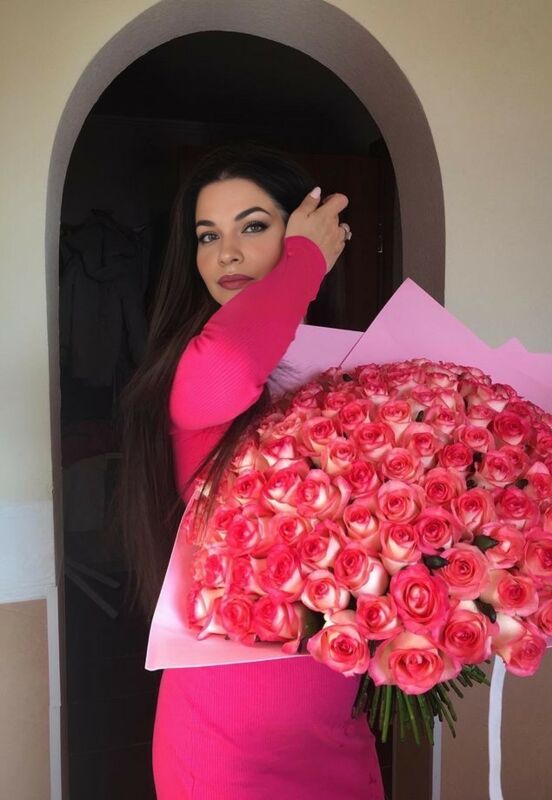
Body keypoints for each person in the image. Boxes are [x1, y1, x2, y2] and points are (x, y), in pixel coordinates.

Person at [118, 143, 384, 799]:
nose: (226, 254)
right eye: (208, 236)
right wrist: (307, 258)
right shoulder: (193, 373)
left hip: (334, 720)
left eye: (253, 226)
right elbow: (232, 364)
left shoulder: (341, 375)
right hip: (224, 745)